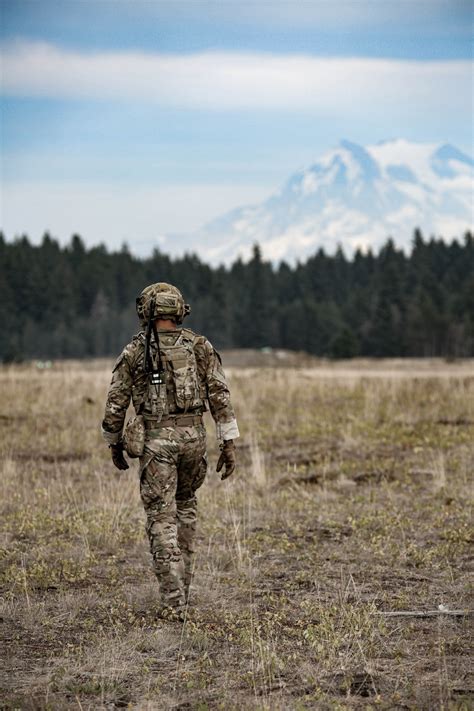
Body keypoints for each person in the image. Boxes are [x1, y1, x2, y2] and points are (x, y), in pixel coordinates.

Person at [101, 282, 239, 619]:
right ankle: (183, 594)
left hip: (157, 443)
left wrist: (114, 443)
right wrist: (228, 443)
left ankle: (173, 602)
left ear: (146, 311)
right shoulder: (199, 346)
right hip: (194, 439)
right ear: (178, 310)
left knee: (161, 519)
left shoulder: (135, 351)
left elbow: (115, 404)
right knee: (186, 509)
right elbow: (220, 395)